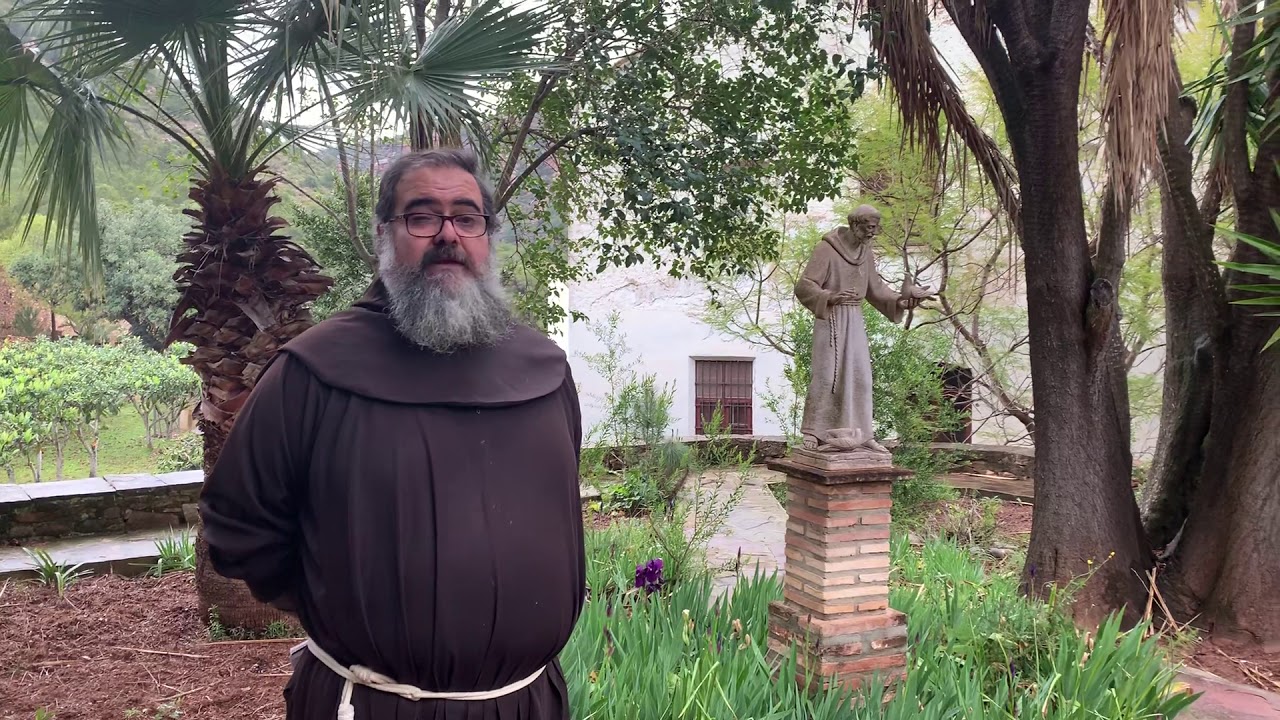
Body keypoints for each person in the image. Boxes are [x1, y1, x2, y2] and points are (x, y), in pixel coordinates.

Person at [198, 148, 586, 720]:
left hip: (525, 702)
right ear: (386, 234)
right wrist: (343, 601)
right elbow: (240, 531)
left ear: (487, 235)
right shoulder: (313, 371)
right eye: (423, 217)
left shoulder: (546, 370)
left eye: (468, 217)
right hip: (374, 704)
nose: (448, 235)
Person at [794, 204, 932, 454]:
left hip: (855, 319)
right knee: (827, 376)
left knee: (860, 377)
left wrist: (903, 301)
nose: (873, 233)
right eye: (869, 227)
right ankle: (814, 431)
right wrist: (830, 296)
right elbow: (804, 286)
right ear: (855, 225)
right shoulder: (827, 249)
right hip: (831, 318)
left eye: (876, 228)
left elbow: (876, 290)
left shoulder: (865, 253)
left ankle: (862, 433)